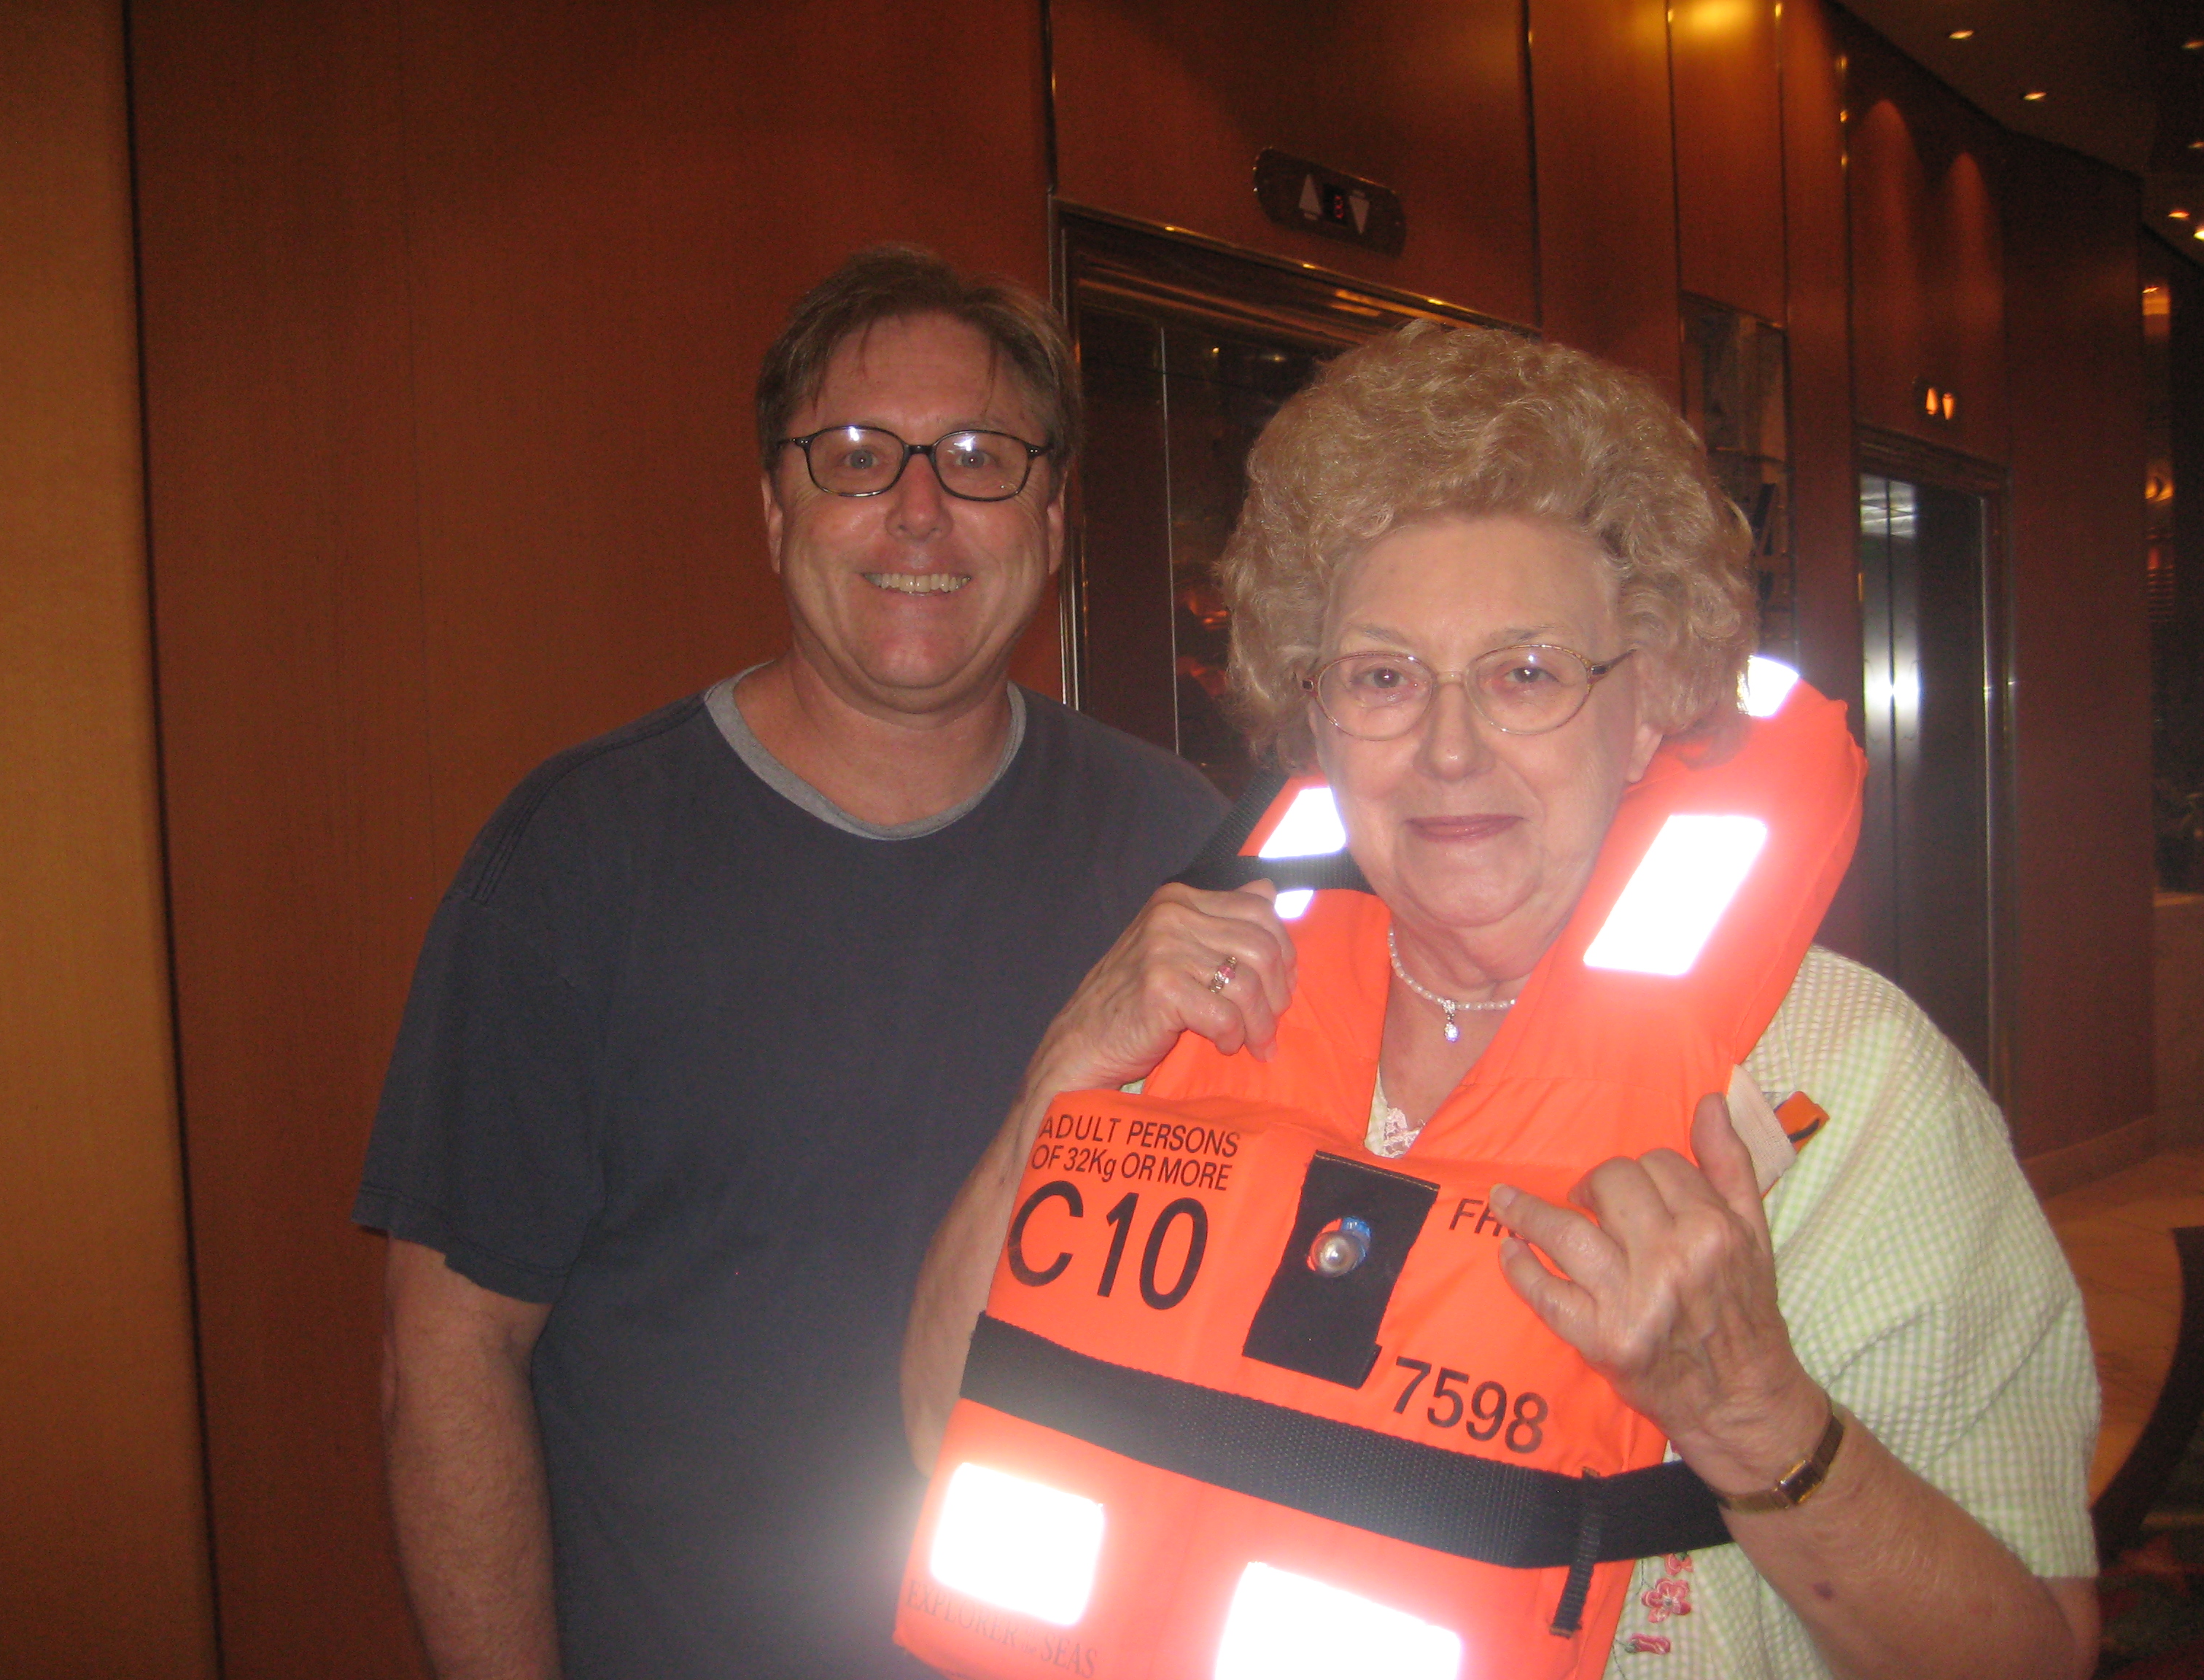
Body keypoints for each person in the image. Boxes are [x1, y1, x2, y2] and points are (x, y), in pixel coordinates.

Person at [903, 324, 2098, 1678]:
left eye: (1527, 673)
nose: (1449, 748)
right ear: (1314, 715)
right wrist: (1058, 1085)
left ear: (1650, 703)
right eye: (1383, 676)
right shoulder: (1186, 1020)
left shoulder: (1853, 1084)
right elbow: (941, 1429)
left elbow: (2036, 1659)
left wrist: (1753, 1415)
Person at [357, 246, 1226, 1679]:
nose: (920, 509)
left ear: (1054, 515)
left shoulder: (1180, 852)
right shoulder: (581, 858)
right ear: (775, 513)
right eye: (857, 457)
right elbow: (448, 1361)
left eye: (979, 457)